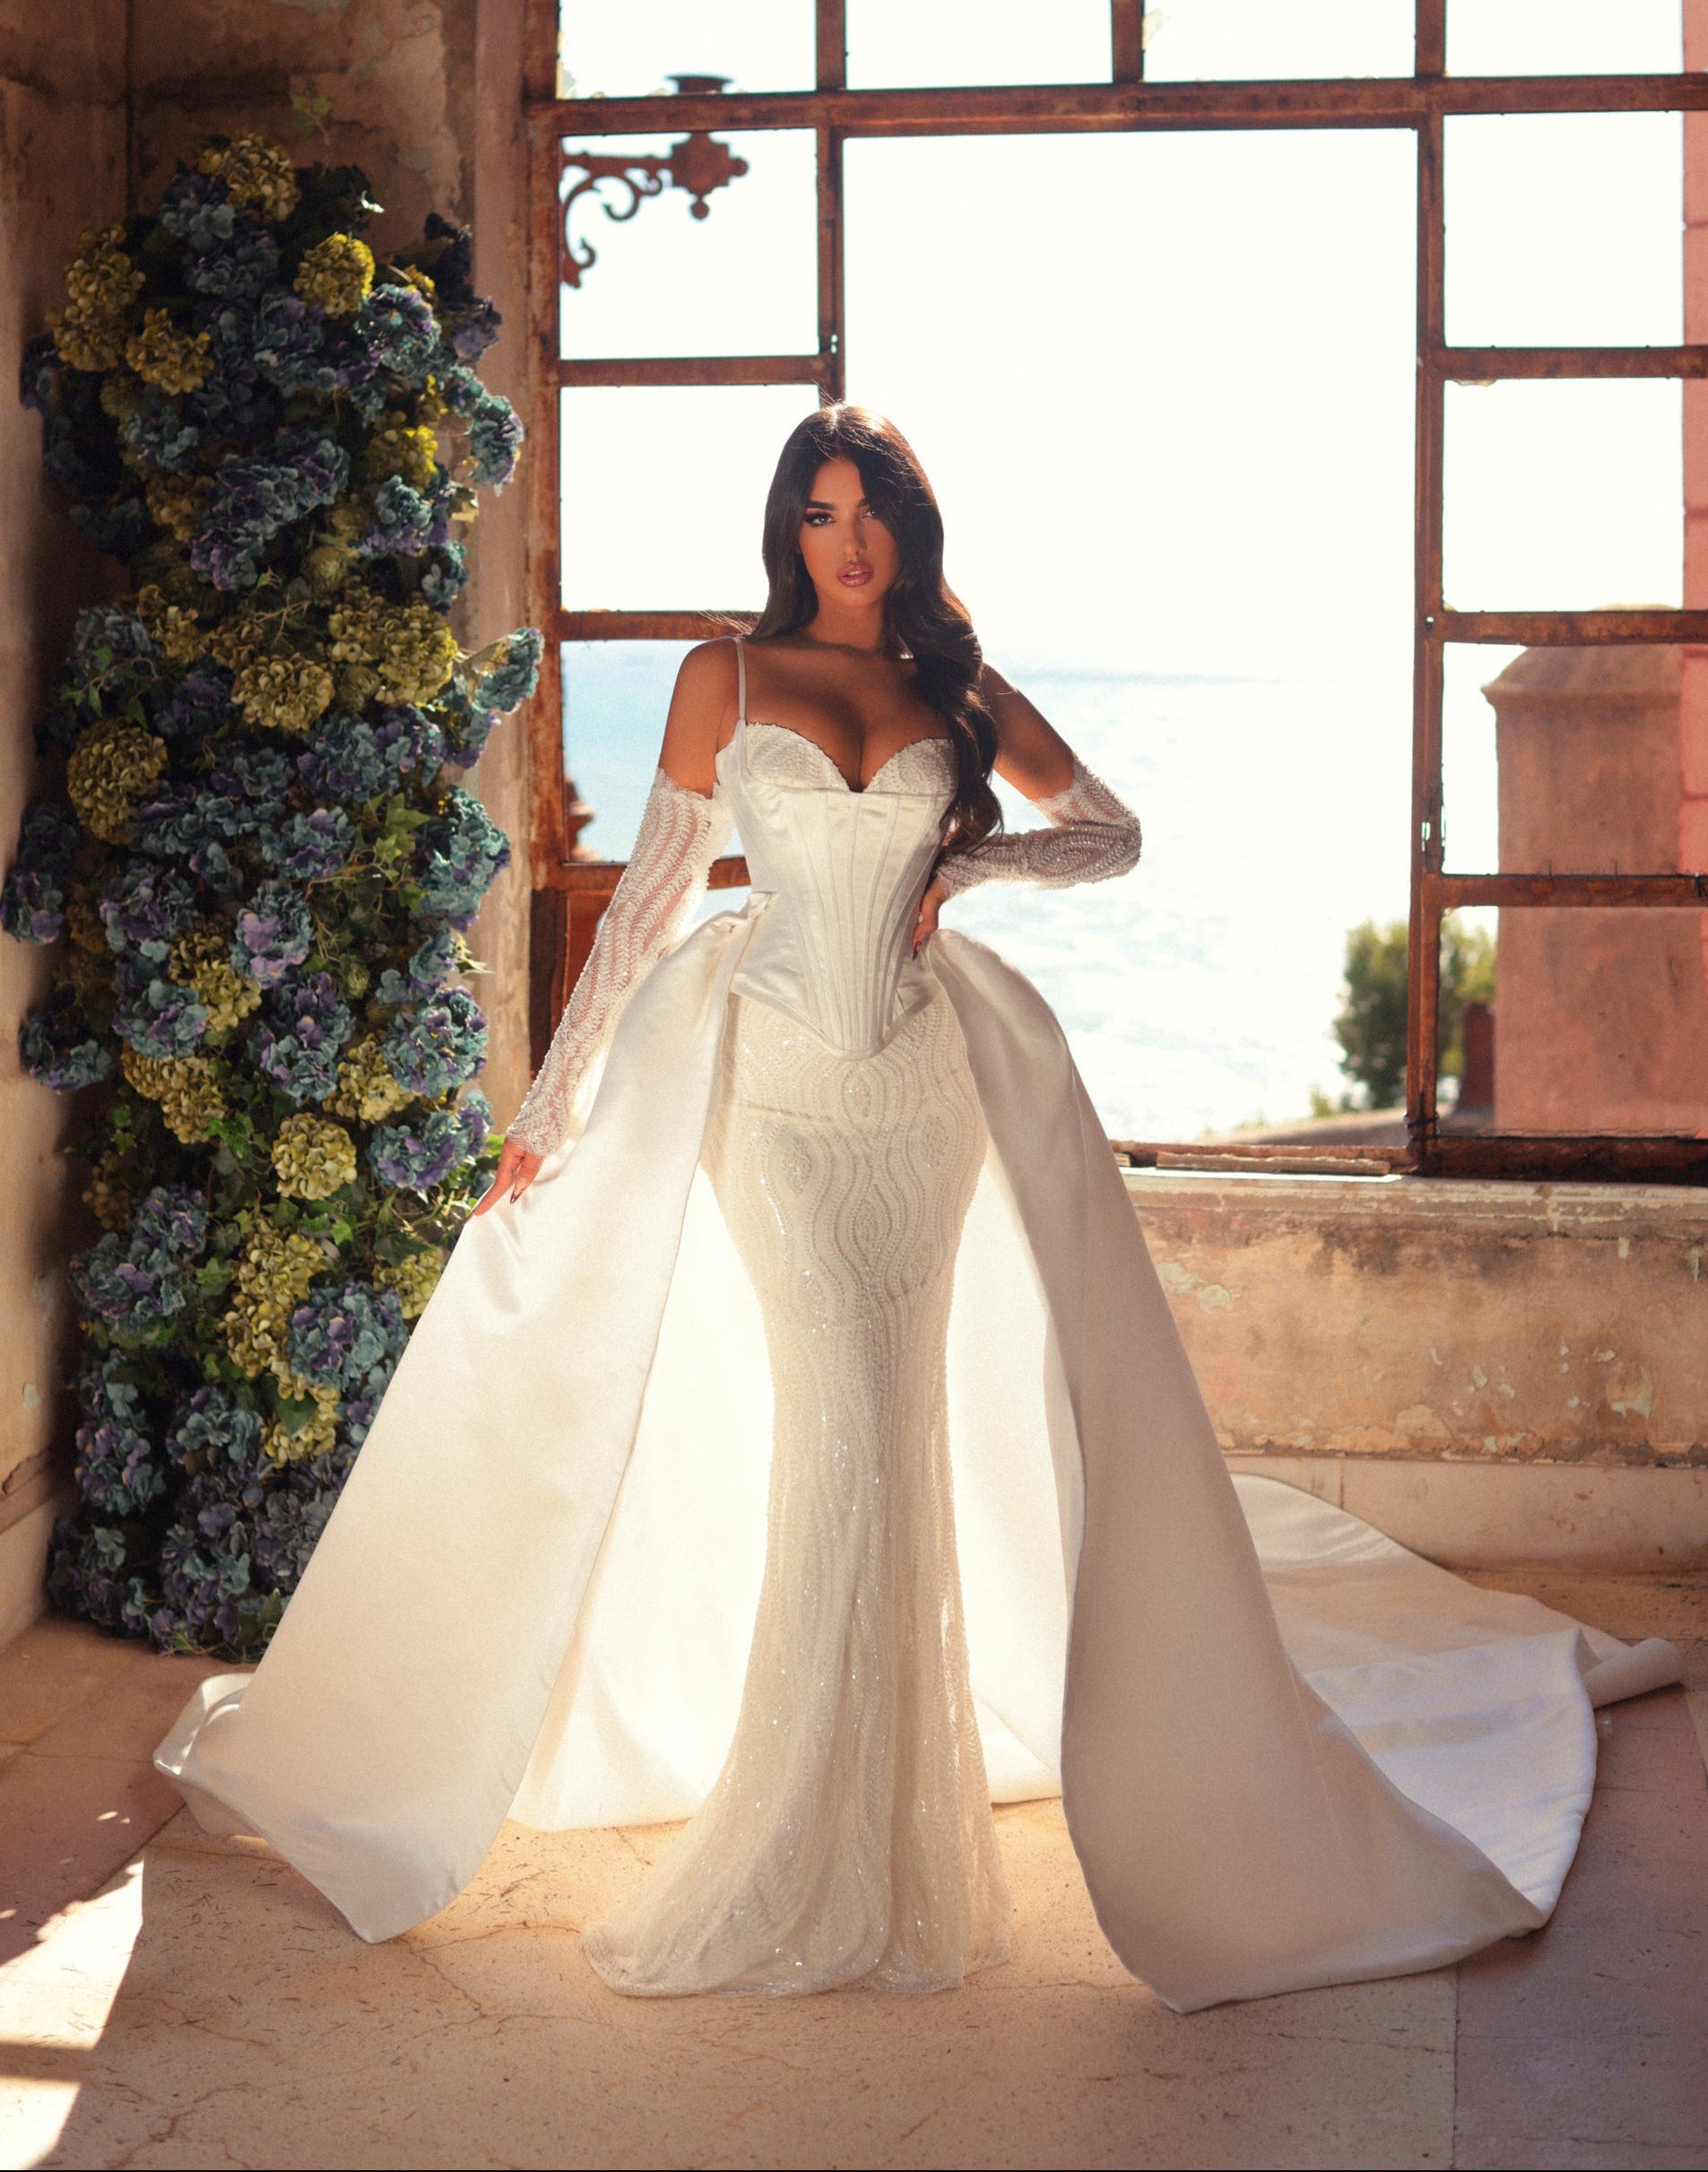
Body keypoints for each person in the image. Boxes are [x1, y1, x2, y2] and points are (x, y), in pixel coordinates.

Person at [157, 404, 1678, 2011]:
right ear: (788, 531)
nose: (848, 538)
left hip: (916, 1091)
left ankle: (893, 1813)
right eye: (818, 513)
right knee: (843, 1421)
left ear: (906, 526)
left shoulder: (954, 684)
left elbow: (1110, 833)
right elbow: (646, 906)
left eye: (870, 507)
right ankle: (808, 1811)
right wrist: (547, 1112)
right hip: (782, 1094)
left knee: (892, 1426)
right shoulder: (720, 677)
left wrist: (969, 879)